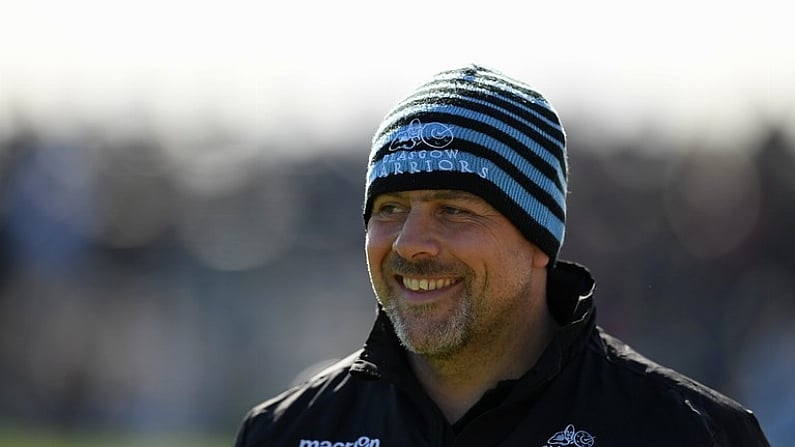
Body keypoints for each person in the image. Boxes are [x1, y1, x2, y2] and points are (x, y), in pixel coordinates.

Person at [234, 65, 770, 446]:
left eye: (455, 211)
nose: (410, 243)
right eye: (391, 208)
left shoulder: (690, 431)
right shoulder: (287, 433)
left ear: (539, 239)